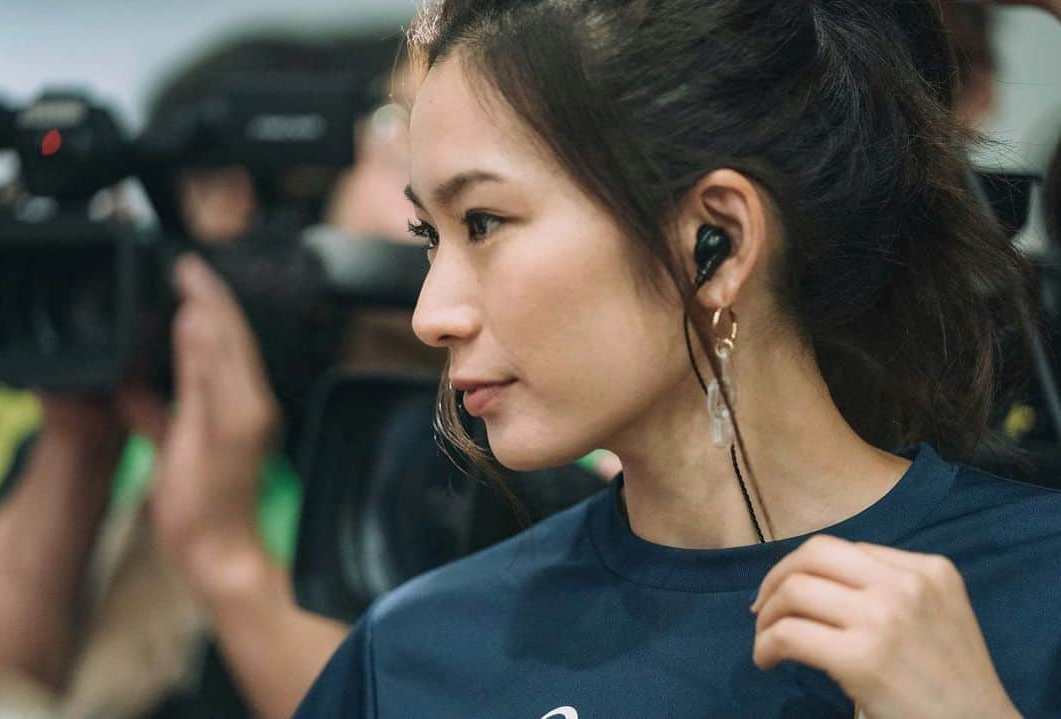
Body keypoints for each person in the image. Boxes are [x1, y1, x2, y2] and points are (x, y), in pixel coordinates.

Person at [293, 0, 1061, 717]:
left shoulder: (1038, 587)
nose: (431, 316)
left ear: (713, 241)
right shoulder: (415, 656)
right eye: (432, 237)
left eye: (484, 221)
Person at [0, 31, 442, 719]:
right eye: (188, 197)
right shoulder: (126, 427)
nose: (210, 240)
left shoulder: (452, 450)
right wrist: (77, 444)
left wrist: (222, 551)